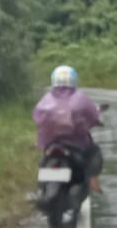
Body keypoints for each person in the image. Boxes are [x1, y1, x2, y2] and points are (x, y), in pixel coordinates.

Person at [32, 65, 104, 193]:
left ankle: (40, 189)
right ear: (74, 80)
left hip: (52, 144)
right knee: (95, 152)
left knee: (42, 161)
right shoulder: (80, 98)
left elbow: (37, 116)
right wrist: (97, 120)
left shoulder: (46, 99)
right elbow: (93, 114)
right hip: (76, 144)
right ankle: (93, 180)